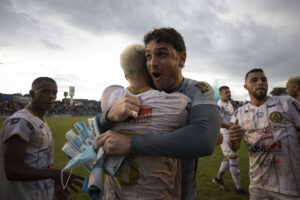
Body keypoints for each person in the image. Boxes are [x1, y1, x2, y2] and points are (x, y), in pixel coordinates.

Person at [95, 27, 221, 200]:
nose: (152, 63)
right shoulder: (136, 93)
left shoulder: (197, 90)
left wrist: (131, 143)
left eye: (162, 54)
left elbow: (205, 139)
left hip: (182, 194)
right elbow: (95, 131)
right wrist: (107, 116)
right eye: (148, 56)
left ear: (181, 59)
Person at [98, 43, 190, 199]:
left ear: (126, 76)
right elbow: (210, 136)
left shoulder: (110, 97)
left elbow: (113, 90)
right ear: (150, 68)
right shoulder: (176, 103)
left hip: (114, 191)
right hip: (155, 192)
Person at [0, 77, 84, 200]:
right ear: (32, 94)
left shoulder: (39, 121)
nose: (51, 96)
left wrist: (55, 183)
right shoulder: (20, 122)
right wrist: (54, 174)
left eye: (54, 93)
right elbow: (12, 170)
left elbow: (41, 162)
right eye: (45, 91)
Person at [228, 68, 300, 199]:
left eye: (263, 79)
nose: (260, 82)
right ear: (246, 86)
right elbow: (234, 147)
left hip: (288, 185)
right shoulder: (239, 113)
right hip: (258, 185)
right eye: (254, 80)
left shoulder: (286, 102)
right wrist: (232, 139)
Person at [212, 86, 248, 194]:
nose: (229, 94)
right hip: (226, 134)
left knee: (229, 158)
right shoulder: (220, 105)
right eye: (226, 92)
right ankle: (238, 188)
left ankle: (218, 178)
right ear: (221, 94)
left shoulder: (229, 104)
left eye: (229, 92)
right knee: (234, 158)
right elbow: (220, 122)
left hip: (231, 133)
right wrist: (233, 128)